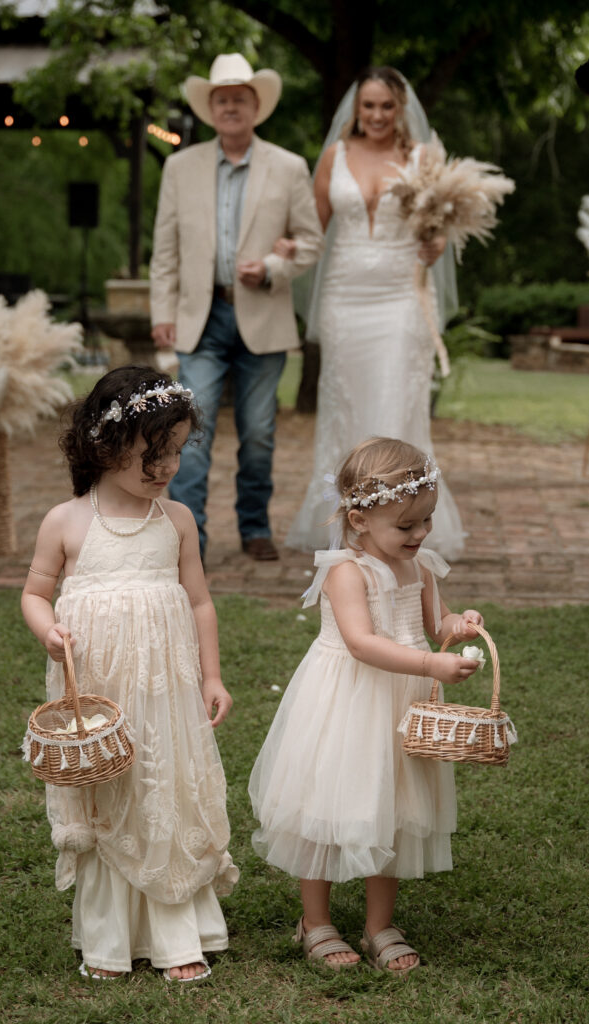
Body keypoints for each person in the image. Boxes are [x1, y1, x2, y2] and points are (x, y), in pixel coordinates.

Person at [21, 366, 238, 982]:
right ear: (106, 445)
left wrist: (211, 676)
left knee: (161, 789)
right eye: (153, 454)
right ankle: (110, 938)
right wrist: (47, 629)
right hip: (98, 691)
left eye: (174, 452)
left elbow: (198, 602)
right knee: (112, 791)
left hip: (164, 693)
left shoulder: (176, 522)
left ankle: (175, 936)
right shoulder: (66, 521)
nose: (166, 467)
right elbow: (35, 594)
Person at [250, 436, 483, 972]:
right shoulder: (345, 572)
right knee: (327, 807)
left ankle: (380, 924)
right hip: (347, 701)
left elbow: (436, 624)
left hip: (399, 707)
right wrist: (431, 665)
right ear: (359, 520)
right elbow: (361, 642)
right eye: (406, 526)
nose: (420, 534)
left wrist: (459, 625)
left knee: (396, 810)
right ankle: (316, 920)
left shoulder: (420, 568)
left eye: (426, 521)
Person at [284, 67, 465, 560]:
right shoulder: (333, 158)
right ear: (356, 109)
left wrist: (436, 243)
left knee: (393, 406)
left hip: (401, 297)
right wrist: (286, 246)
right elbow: (312, 231)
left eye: (387, 106)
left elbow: (440, 228)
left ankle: (405, 517)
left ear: (402, 108)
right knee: (346, 410)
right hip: (345, 296)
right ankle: (349, 517)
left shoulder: (424, 158)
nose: (378, 115)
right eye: (369, 106)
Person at [150, 52, 323, 562]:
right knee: (189, 433)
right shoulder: (180, 166)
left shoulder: (288, 167)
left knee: (260, 434)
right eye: (222, 99)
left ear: (255, 106)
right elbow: (165, 250)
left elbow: (311, 243)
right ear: (211, 107)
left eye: (239, 99)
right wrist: (162, 310)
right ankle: (190, 540)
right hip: (198, 320)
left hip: (262, 316)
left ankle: (254, 528)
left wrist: (271, 267)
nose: (231, 106)